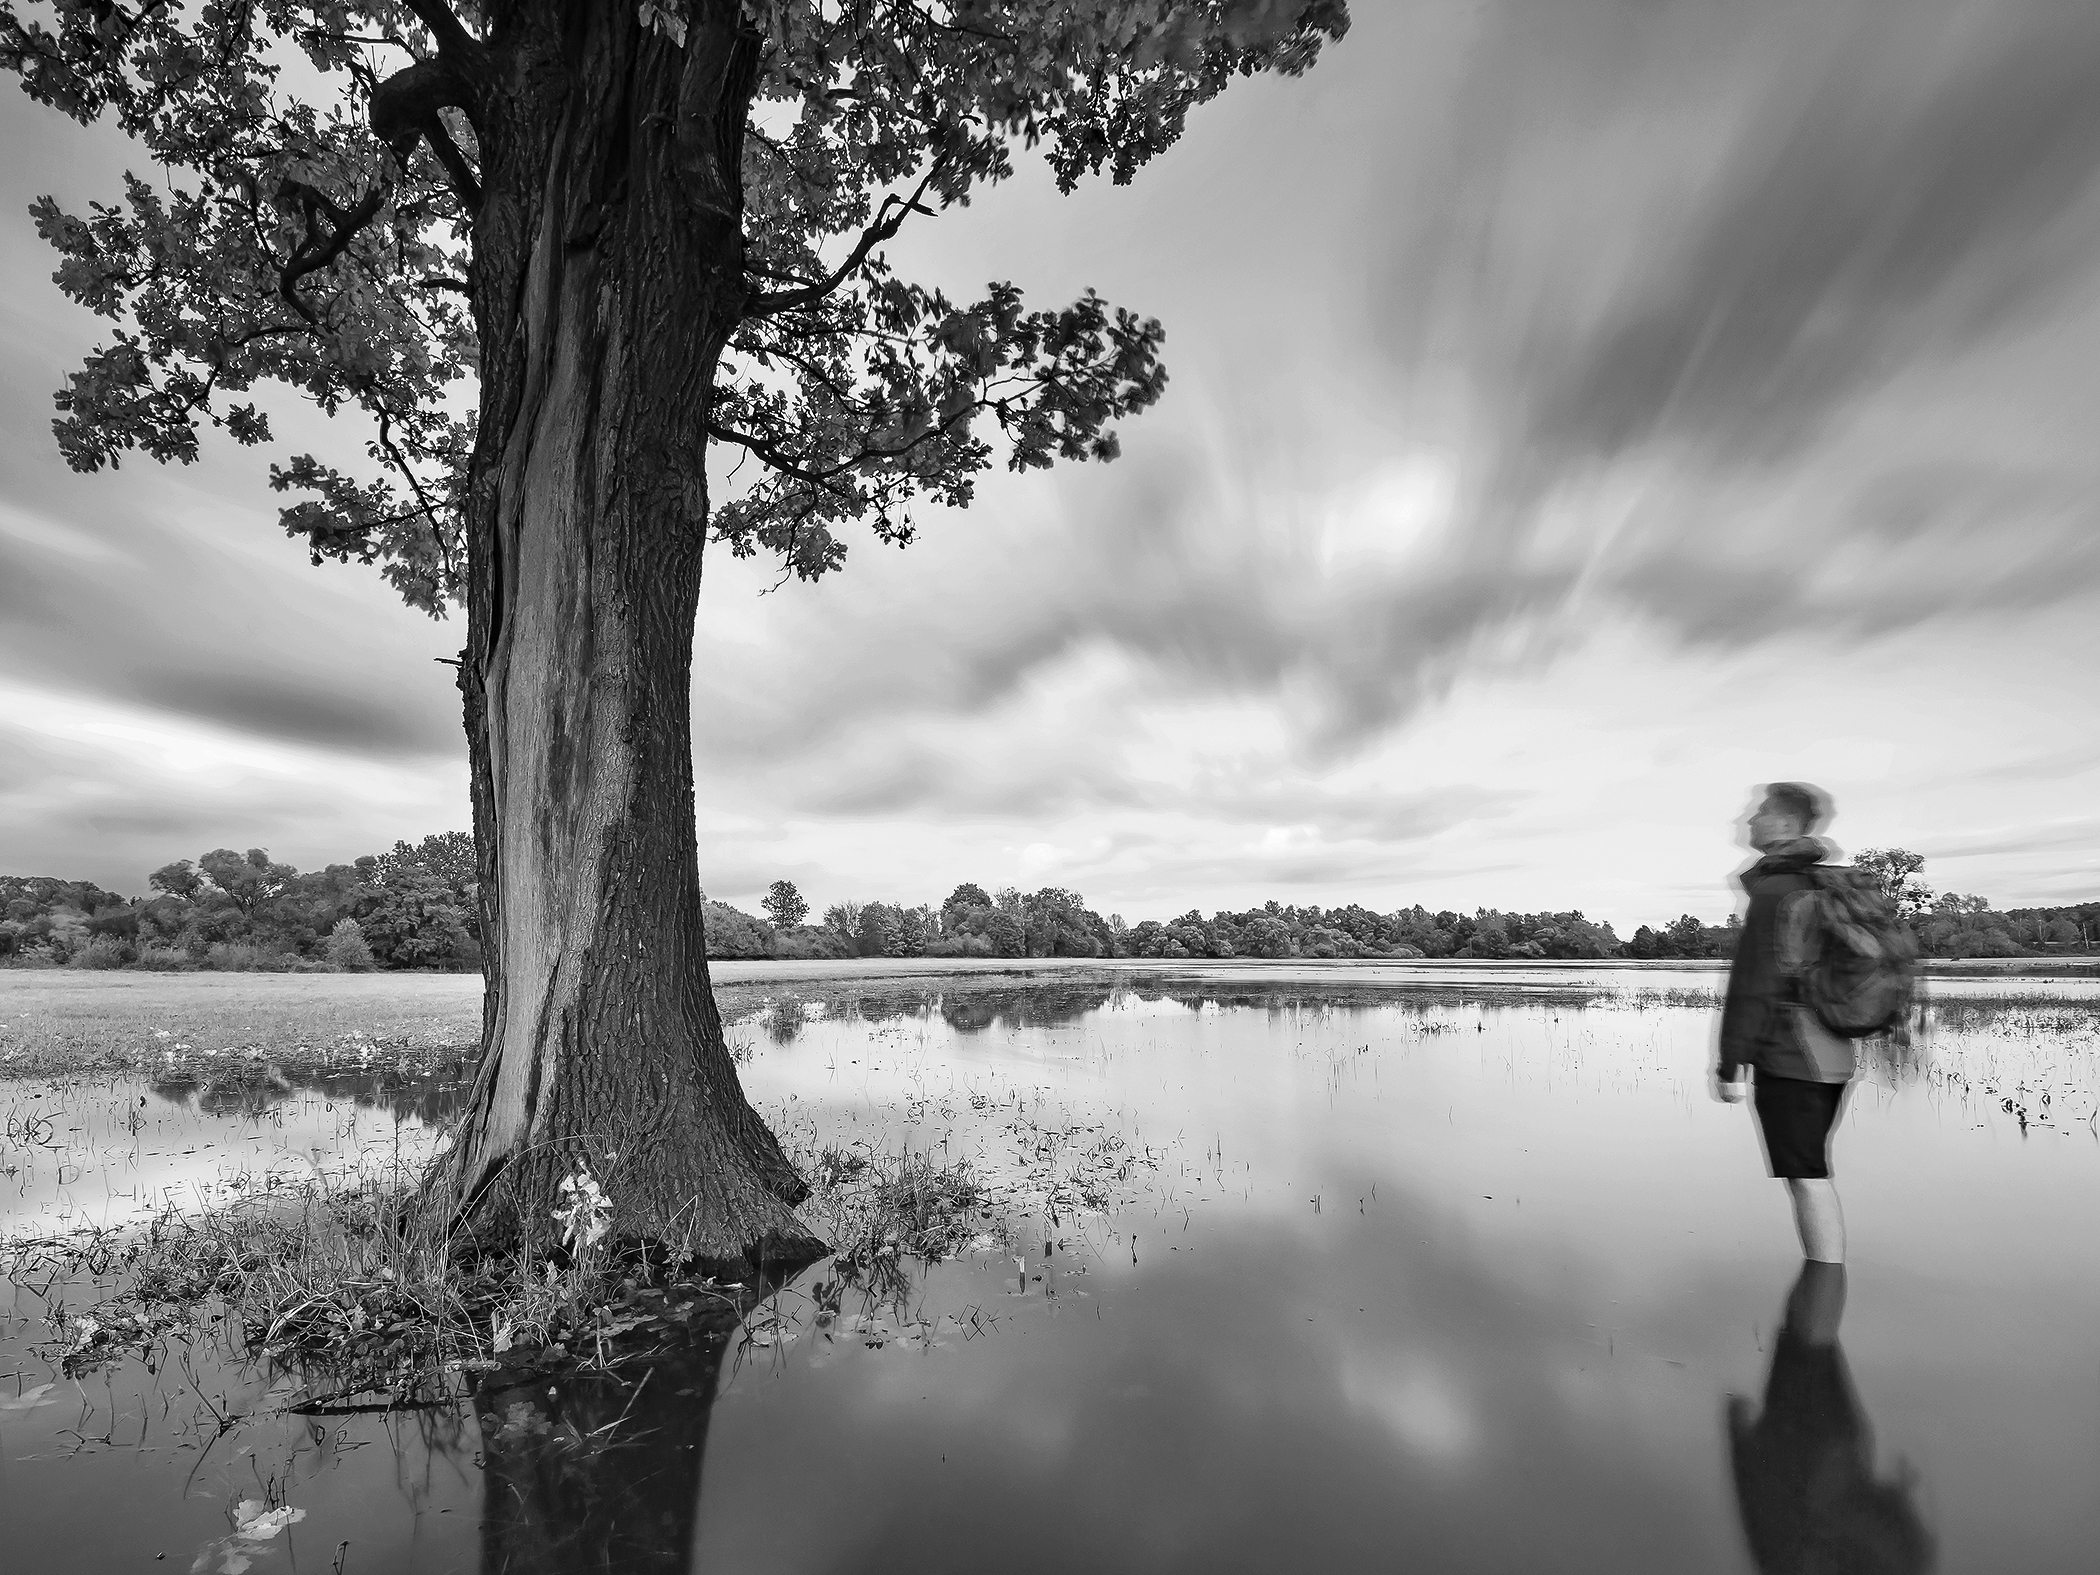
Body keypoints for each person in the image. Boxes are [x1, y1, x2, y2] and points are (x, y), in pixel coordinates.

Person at [1713, 782, 1858, 1263]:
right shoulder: (1820, 884)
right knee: (1809, 1171)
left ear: (1785, 823)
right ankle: (1821, 1300)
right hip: (1833, 1050)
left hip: (1793, 1055)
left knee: (1807, 1176)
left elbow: (1754, 984)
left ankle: (1822, 1303)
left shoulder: (1777, 890)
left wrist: (1731, 1064)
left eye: (1758, 812)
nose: (1748, 821)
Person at [1726, 1262, 1935, 1575]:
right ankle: (1827, 1250)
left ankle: (1827, 1250)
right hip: (1819, 1462)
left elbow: (1763, 1522)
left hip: (1821, 1460)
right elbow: (1762, 1522)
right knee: (1808, 1342)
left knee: (1808, 1342)